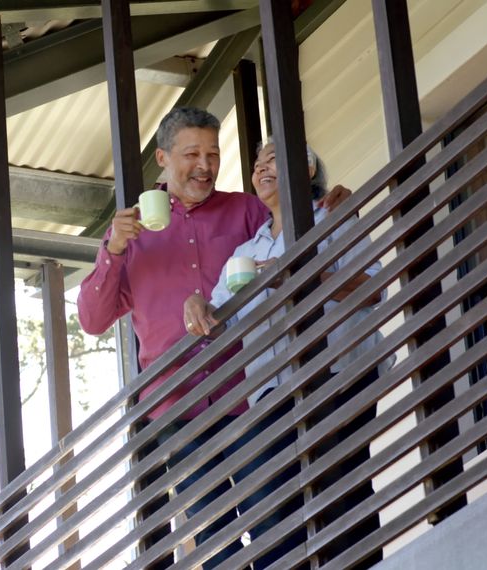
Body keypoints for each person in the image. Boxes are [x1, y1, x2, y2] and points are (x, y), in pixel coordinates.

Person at [77, 107, 351, 569]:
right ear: (162, 158)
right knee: (213, 539)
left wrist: (326, 197)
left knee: (272, 519)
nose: (204, 165)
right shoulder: (132, 234)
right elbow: (92, 319)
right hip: (177, 408)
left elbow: (290, 224)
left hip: (245, 391)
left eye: (212, 153)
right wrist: (113, 249)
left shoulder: (244, 210)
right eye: (191, 154)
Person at [183, 141, 391, 567]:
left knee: (340, 488)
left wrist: (299, 276)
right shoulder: (246, 253)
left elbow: (373, 287)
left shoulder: (333, 217)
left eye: (273, 158)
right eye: (257, 163)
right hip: (272, 391)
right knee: (276, 503)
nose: (261, 167)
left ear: (308, 166)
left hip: (338, 375)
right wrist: (198, 305)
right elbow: (221, 321)